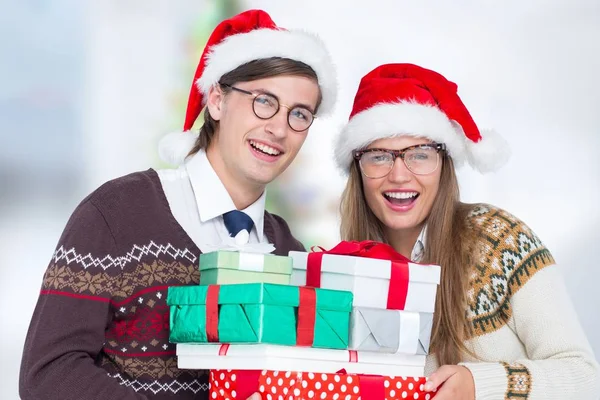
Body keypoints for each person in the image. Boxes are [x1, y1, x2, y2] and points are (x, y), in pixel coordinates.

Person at [19, 9, 337, 400]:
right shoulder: (116, 214)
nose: (279, 128)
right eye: (264, 101)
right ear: (217, 100)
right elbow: (49, 373)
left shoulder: (290, 254)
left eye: (299, 114)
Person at [335, 63, 599, 399]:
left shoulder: (501, 241)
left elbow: (584, 377)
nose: (399, 175)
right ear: (357, 167)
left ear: (444, 164)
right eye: (379, 156)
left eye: (420, 154)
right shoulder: (344, 273)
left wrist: (480, 385)